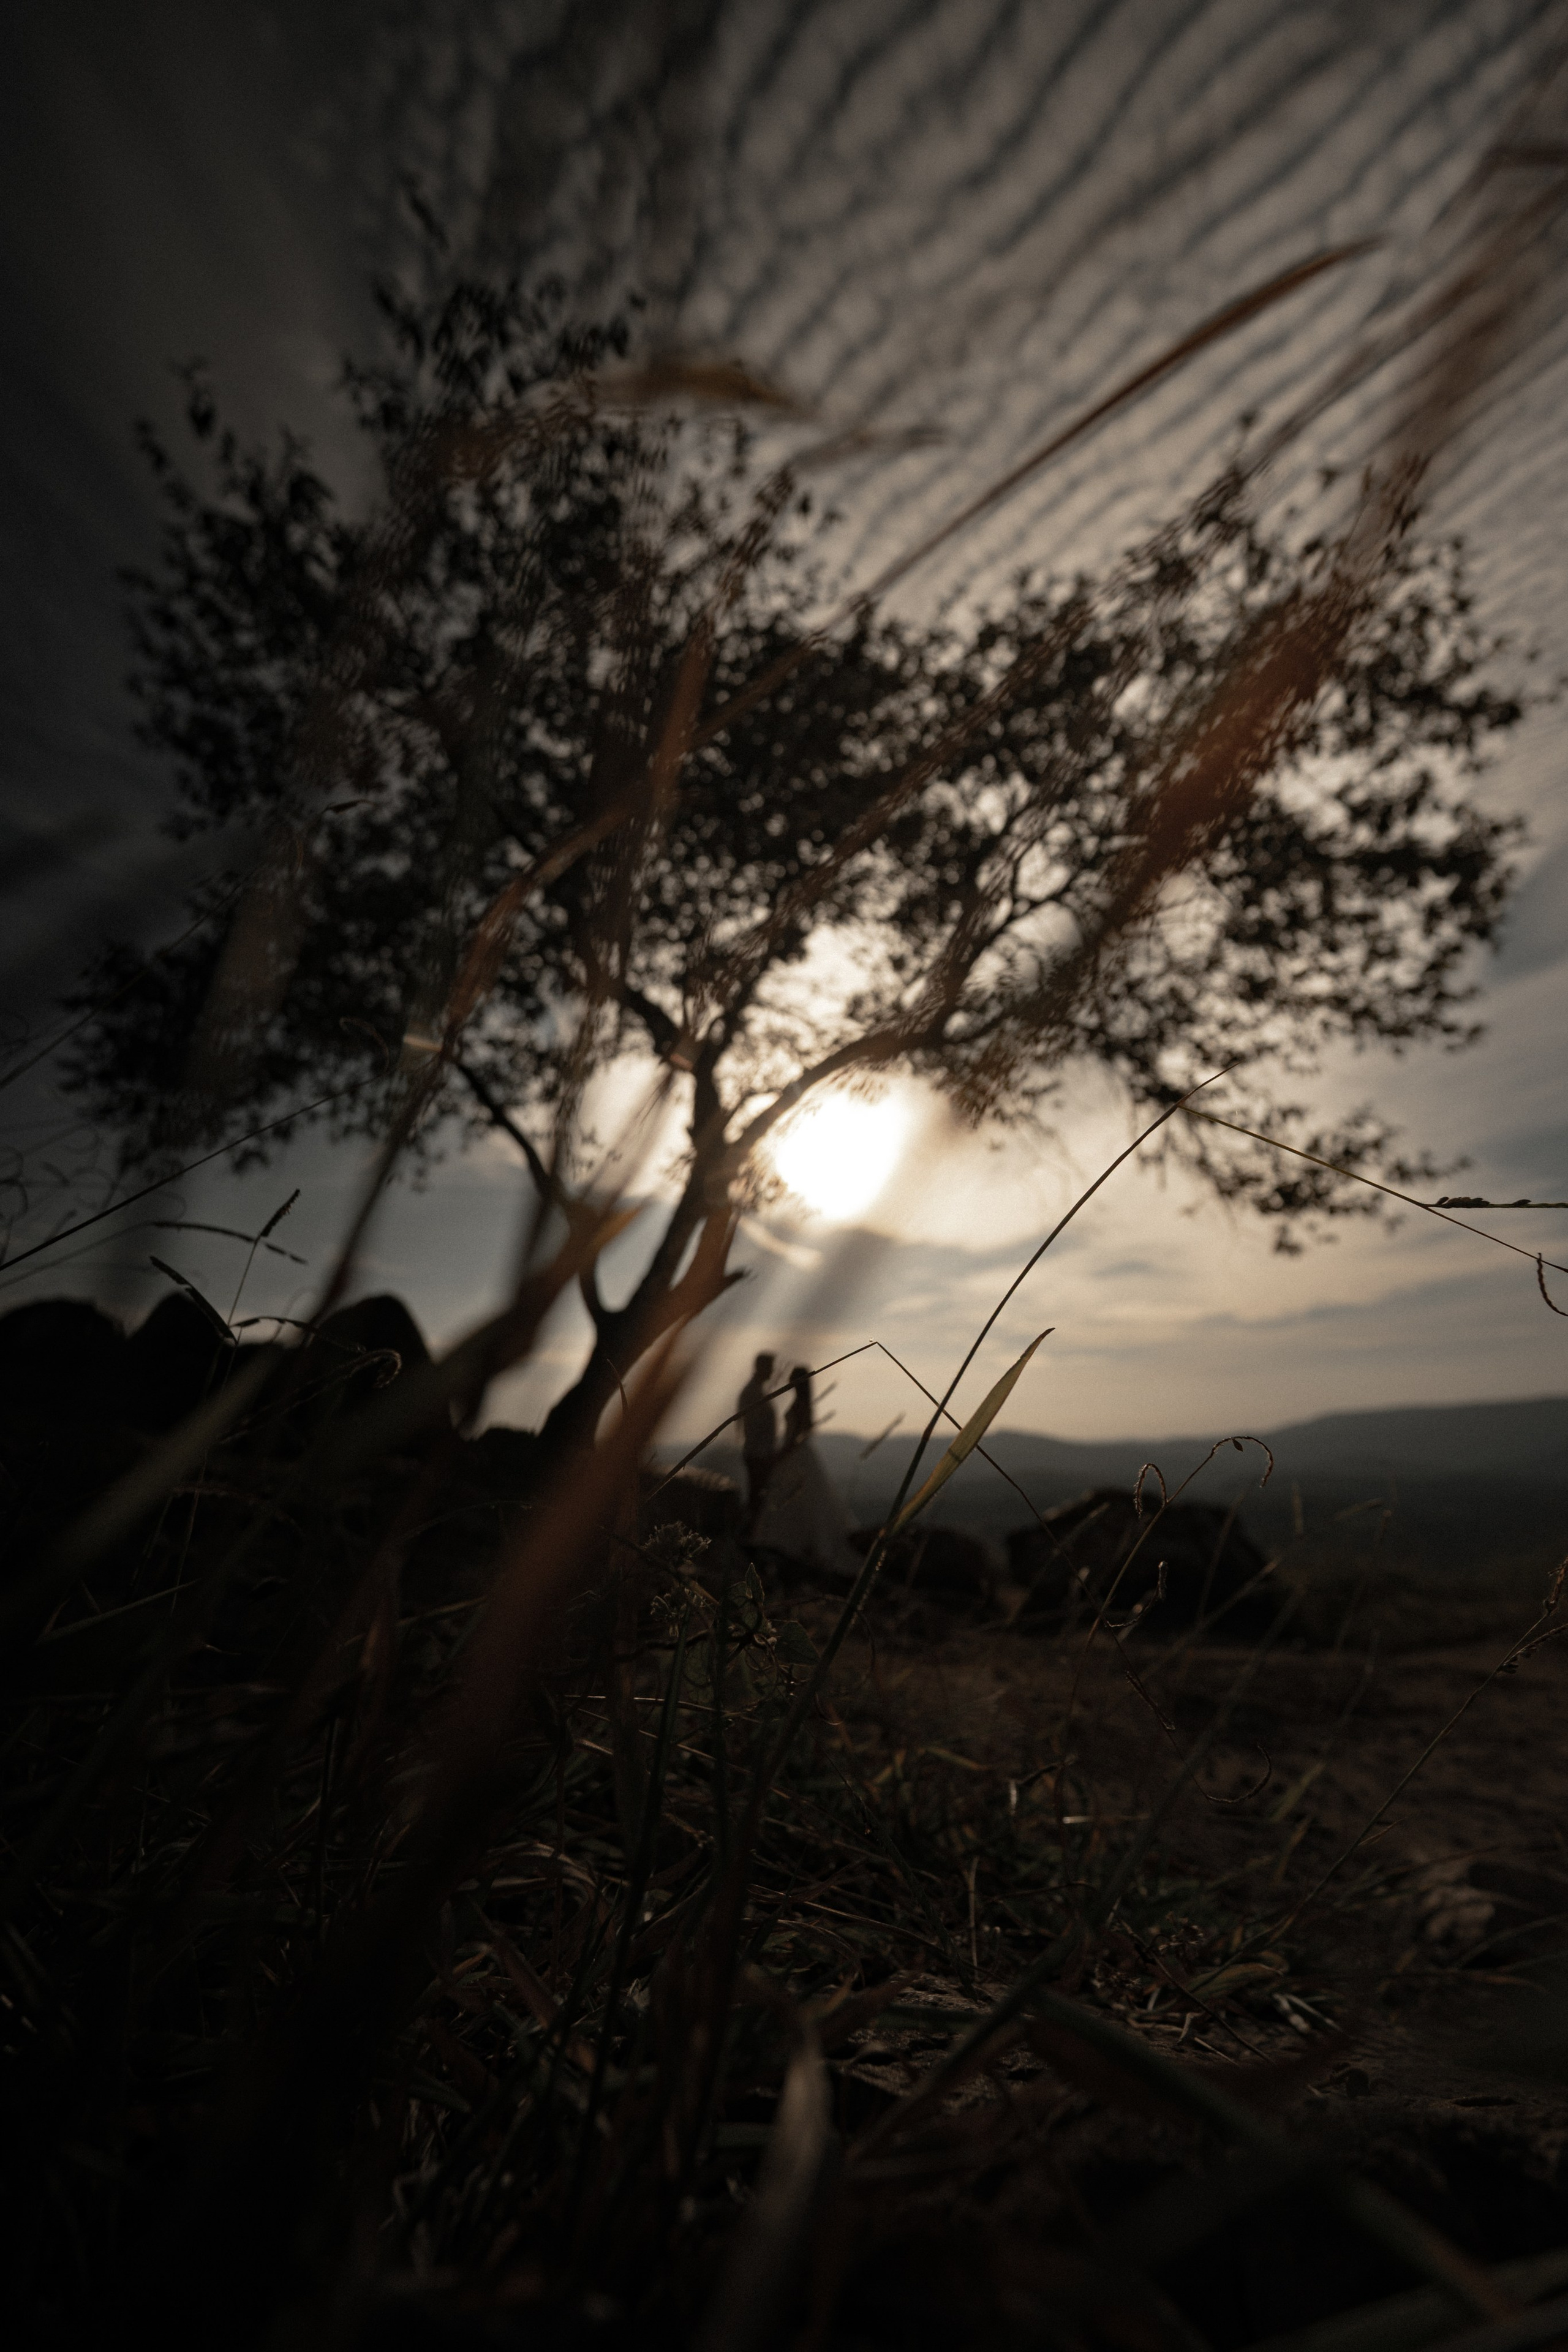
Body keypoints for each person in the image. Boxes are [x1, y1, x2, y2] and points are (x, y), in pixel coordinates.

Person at [750, 1362, 860, 1581]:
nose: (789, 1381)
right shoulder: (802, 1403)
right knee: (800, 1499)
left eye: (793, 1378)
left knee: (794, 1498)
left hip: (794, 1457)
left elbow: (795, 1439)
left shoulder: (801, 1405)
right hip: (797, 1456)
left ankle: (791, 1544)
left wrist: (778, 1457)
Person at [738, 1352, 778, 1527]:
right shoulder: (752, 1393)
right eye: (770, 1367)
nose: (772, 1371)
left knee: (759, 1497)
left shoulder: (759, 1390)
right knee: (757, 1497)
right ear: (761, 1367)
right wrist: (766, 1453)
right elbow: (752, 1426)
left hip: (761, 1453)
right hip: (758, 1454)